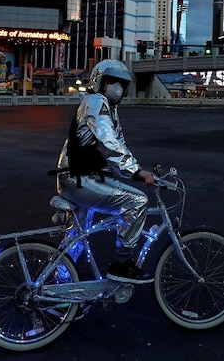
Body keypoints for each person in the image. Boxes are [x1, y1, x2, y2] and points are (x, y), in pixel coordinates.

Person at [54, 59, 156, 284]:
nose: (118, 88)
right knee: (137, 202)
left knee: (76, 237)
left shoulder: (108, 107)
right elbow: (108, 143)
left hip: (81, 177)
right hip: (77, 178)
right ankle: (121, 264)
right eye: (112, 82)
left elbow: (118, 145)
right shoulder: (95, 102)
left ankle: (61, 289)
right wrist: (137, 172)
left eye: (121, 83)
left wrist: (135, 170)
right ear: (99, 82)